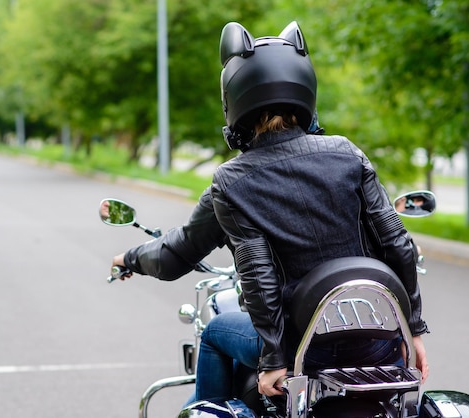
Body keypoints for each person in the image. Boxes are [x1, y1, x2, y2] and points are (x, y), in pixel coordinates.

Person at [111, 20, 429, 403]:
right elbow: (397, 242)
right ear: (305, 90)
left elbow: (246, 270)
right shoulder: (347, 153)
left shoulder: (232, 181)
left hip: (302, 348)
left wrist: (273, 359)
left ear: (234, 98)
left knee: (213, 334)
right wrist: (413, 330)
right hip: (377, 341)